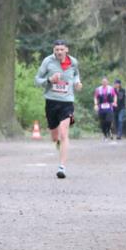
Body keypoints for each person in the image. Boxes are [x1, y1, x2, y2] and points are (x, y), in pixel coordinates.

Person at [34, 40, 82, 179]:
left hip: (67, 102)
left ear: (66, 50)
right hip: (51, 102)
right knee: (55, 137)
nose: (59, 52)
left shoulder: (73, 62)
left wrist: (77, 83)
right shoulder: (47, 61)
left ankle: (62, 167)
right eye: (57, 50)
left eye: (61, 49)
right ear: (53, 50)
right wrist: (49, 80)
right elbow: (37, 80)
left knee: (63, 133)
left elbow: (76, 75)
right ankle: (59, 145)